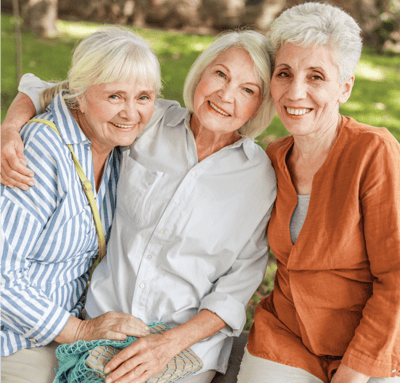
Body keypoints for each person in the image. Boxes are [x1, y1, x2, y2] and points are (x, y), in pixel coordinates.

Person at [0, 30, 277, 383]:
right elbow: (58, 90)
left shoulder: (259, 178)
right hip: (100, 325)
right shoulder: (146, 119)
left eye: (248, 89)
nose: (225, 94)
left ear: (260, 104)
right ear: (201, 73)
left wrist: (166, 345)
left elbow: (235, 291)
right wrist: (10, 127)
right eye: (220, 74)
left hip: (182, 348)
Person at [236, 2, 400, 383]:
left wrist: (354, 371)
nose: (295, 93)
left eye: (316, 77)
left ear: (345, 86)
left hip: (372, 341)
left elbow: (396, 277)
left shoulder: (374, 152)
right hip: (288, 335)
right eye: (284, 73)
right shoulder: (272, 158)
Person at [0, 26, 163, 383]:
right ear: (80, 93)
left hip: (69, 329)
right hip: (14, 337)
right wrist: (78, 332)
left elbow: (36, 85)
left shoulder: (116, 144)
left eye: (144, 97)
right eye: (115, 96)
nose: (132, 113)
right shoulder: (42, 150)